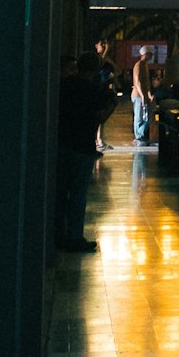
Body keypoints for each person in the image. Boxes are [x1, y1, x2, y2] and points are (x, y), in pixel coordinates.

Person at [55, 53, 104, 252]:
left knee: (60, 190)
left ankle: (58, 233)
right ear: (94, 70)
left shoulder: (64, 85)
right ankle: (75, 236)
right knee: (78, 193)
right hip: (83, 145)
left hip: (63, 142)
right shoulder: (92, 89)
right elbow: (99, 117)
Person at [94, 38, 119, 152]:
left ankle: (99, 140)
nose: (97, 46)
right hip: (99, 90)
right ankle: (97, 140)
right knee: (99, 117)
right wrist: (107, 49)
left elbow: (117, 70)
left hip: (105, 90)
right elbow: (99, 64)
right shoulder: (97, 58)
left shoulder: (106, 59)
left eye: (99, 44)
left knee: (102, 118)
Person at [131, 46, 156, 144]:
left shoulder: (145, 65)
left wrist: (149, 95)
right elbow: (138, 82)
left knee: (148, 116)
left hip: (143, 95)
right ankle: (138, 137)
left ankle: (140, 135)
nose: (152, 56)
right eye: (150, 54)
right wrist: (142, 96)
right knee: (139, 116)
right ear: (145, 54)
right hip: (138, 95)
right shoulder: (138, 65)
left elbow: (146, 83)